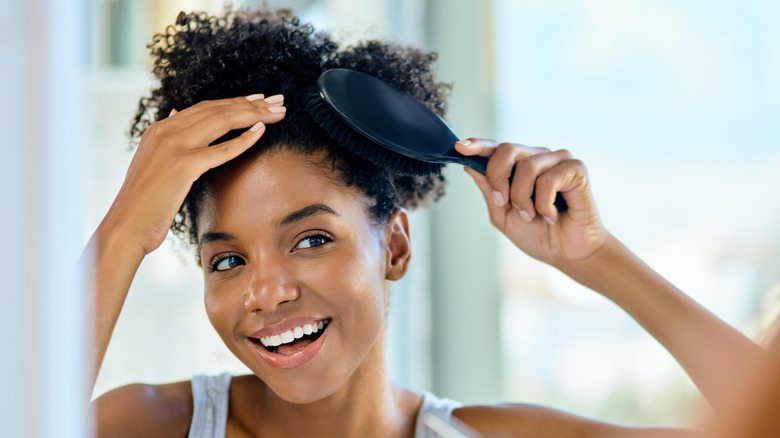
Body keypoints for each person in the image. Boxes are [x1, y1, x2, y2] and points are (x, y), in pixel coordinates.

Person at [86, 6, 763, 437]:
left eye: (312, 239)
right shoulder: (150, 425)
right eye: (227, 260)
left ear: (396, 247)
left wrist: (594, 257)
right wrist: (120, 233)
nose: (265, 294)